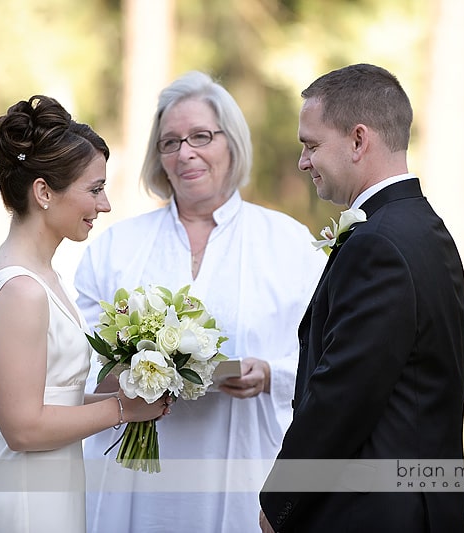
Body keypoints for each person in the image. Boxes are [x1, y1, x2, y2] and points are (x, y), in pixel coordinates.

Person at [74, 71, 327, 533]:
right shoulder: (115, 249)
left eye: (201, 136)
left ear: (232, 143)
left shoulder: (290, 245)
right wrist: (133, 372)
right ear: (159, 158)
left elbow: (329, 360)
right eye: (170, 142)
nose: (185, 152)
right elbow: (77, 364)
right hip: (136, 483)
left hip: (247, 469)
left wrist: (270, 374)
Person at [259, 64, 464, 532]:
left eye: (311, 145)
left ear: (358, 140)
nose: (302, 162)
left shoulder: (378, 244)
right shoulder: (427, 230)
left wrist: (279, 503)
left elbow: (342, 395)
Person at [0, 95, 171, 533]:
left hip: (49, 498)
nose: (106, 204)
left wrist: (138, 394)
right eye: (94, 189)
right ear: (43, 192)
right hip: (22, 507)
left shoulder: (41, 277)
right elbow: (22, 429)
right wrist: (122, 409)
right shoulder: (21, 290)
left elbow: (53, 402)